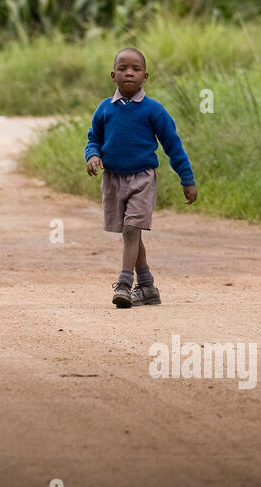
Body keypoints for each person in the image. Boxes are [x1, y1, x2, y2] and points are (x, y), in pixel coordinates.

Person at [84, 47, 197, 308]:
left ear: (145, 76)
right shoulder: (104, 109)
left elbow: (173, 146)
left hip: (142, 179)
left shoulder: (153, 110)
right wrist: (92, 156)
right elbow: (94, 140)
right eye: (123, 69)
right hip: (112, 179)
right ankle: (147, 287)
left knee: (131, 229)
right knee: (130, 234)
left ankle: (124, 284)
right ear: (113, 75)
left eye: (135, 69)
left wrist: (187, 179)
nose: (129, 73)